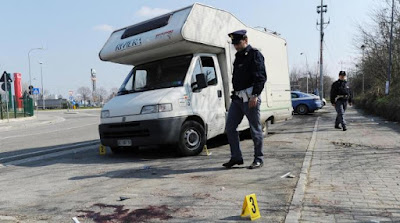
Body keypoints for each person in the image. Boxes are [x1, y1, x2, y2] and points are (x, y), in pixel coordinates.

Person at [223, 30, 267, 169]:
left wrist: (255, 95)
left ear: (245, 40)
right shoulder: (238, 57)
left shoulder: (254, 54)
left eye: (238, 43)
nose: (236, 46)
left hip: (250, 99)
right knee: (230, 127)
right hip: (237, 99)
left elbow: (261, 77)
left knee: (254, 129)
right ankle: (236, 157)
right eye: (234, 44)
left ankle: (258, 159)